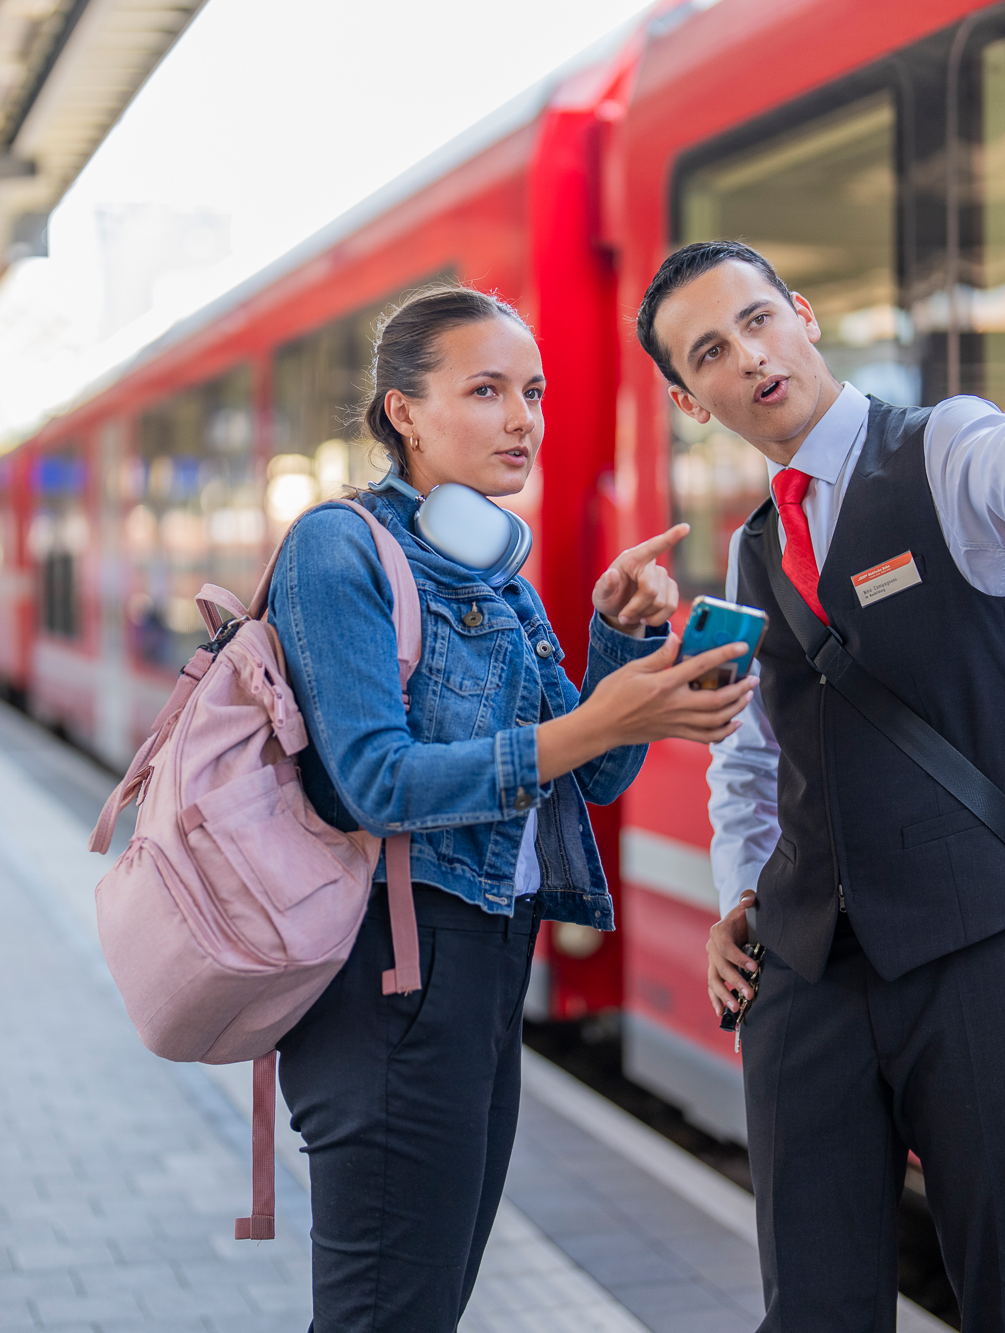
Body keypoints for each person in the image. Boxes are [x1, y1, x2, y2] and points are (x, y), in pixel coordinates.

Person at [634, 240, 1005, 1333]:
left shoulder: (938, 450)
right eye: (710, 353)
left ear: (804, 315)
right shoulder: (750, 554)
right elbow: (745, 756)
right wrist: (740, 893)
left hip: (983, 960)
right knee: (811, 1309)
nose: (747, 356)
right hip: (805, 979)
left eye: (755, 320)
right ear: (691, 399)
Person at [268, 283, 758, 1331]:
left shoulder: (495, 570)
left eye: (530, 391)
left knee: (423, 1308)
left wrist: (616, 646)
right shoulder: (337, 549)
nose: (521, 417)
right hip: (390, 970)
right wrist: (595, 719)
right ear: (402, 410)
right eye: (484, 390)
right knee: (382, 1314)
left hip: (486, 965)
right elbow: (378, 782)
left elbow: (585, 785)